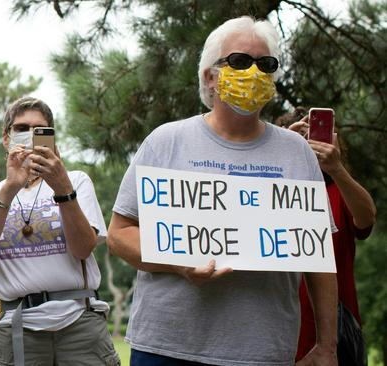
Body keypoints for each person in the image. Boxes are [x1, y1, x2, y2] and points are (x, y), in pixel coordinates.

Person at [107, 16, 338, 366]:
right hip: (166, 348)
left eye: (266, 64)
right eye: (240, 62)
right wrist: (179, 262)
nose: (255, 72)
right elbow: (119, 234)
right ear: (209, 76)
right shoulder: (165, 141)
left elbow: (320, 259)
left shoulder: (297, 152)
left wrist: (327, 347)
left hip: (261, 352)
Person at [0, 96, 120, 366]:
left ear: (52, 138)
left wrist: (62, 188)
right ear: (6, 138)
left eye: (40, 130)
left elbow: (83, 248)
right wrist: (10, 188)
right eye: (21, 128)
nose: (30, 136)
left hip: (78, 321)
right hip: (15, 323)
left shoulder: (77, 181)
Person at [285, 114, 376, 361]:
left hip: (335, 335)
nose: (309, 145)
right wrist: (282, 152)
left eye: (316, 136)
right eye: (300, 139)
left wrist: (336, 169)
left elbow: (366, 219)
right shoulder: (277, 194)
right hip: (281, 328)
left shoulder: (337, 190)